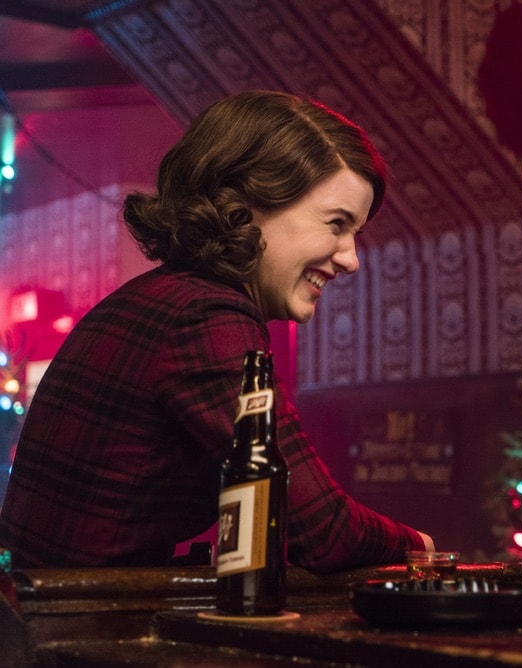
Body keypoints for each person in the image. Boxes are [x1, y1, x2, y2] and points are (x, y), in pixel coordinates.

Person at [0, 90, 435, 570]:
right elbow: (323, 530)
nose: (351, 259)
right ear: (244, 205)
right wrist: (423, 549)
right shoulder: (206, 315)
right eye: (336, 223)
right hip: (78, 628)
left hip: (45, 621)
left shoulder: (169, 297)